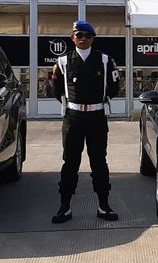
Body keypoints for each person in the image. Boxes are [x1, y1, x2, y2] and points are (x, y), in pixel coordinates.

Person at [50, 21, 120, 224]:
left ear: (93, 38)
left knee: (99, 162)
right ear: (72, 38)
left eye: (88, 35)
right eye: (79, 35)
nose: (83, 38)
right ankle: (64, 207)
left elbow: (114, 87)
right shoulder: (63, 62)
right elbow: (56, 89)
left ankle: (104, 205)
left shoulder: (105, 60)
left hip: (96, 118)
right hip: (73, 119)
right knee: (70, 163)